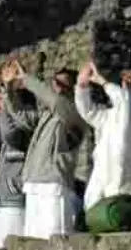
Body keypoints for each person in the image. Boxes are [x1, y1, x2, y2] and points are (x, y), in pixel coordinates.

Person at [75, 62, 131, 212]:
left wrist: (102, 81)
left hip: (129, 185)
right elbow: (88, 111)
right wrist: (82, 87)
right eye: (124, 78)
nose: (126, 81)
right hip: (103, 184)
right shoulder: (110, 114)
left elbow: (125, 102)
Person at [15, 63, 87, 239]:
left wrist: (26, 79)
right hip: (34, 182)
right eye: (54, 82)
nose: (55, 87)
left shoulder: (73, 111)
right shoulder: (48, 114)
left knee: (56, 243)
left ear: (72, 89)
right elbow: (19, 116)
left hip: (54, 185)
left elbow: (54, 100)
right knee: (33, 242)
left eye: (60, 84)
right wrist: (10, 91)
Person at [0, 61, 39, 249]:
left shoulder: (25, 130)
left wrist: (7, 92)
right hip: (0, 198)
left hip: (13, 200)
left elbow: (8, 131)